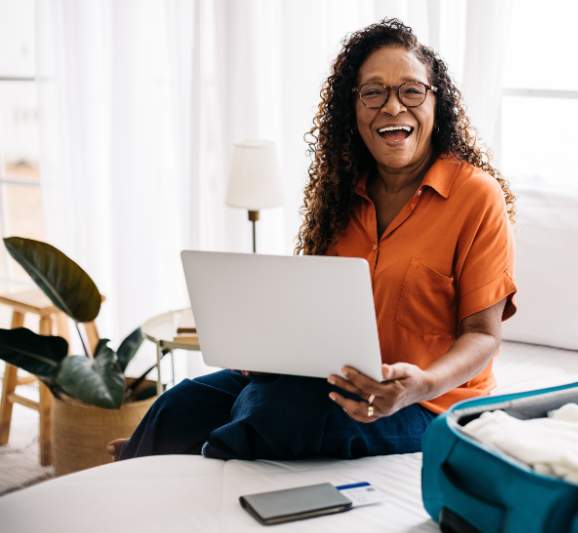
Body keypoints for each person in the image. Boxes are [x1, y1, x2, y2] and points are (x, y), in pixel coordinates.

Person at [113, 18, 517, 461]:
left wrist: (420, 384)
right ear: (354, 109)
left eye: (411, 90)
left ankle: (191, 465)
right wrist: (267, 351)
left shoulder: (476, 196)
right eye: (373, 92)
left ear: (436, 102)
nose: (393, 107)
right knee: (182, 401)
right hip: (330, 383)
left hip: (429, 405)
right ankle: (138, 469)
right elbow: (313, 314)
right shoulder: (341, 194)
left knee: (279, 411)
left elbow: (483, 336)